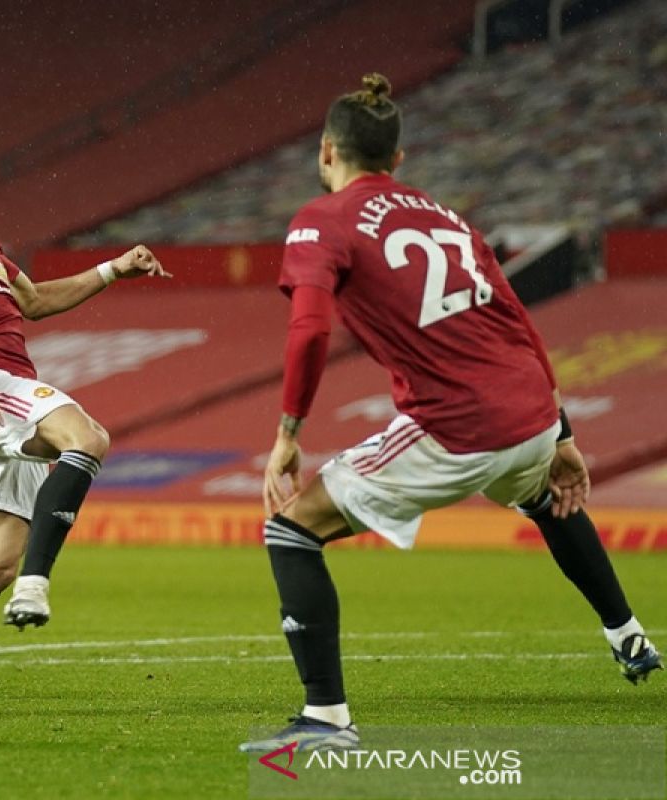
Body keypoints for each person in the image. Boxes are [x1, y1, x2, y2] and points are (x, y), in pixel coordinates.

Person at [240, 74, 660, 754]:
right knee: (546, 500)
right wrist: (563, 433)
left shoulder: (323, 219)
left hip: (458, 424)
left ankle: (326, 719)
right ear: (398, 160)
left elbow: (310, 328)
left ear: (326, 152)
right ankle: (629, 635)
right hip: (527, 415)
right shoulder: (447, 217)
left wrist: (289, 433)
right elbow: (518, 322)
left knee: (291, 532)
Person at [0, 107, 170, 647]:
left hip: (1, 395)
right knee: (88, 438)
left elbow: (36, 299)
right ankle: (36, 585)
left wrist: (115, 268)